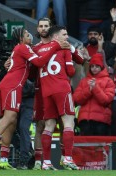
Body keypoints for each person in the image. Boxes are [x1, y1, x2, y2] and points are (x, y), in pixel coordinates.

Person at [0, 27, 67, 170]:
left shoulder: (21, 49)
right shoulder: (22, 47)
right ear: (21, 38)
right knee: (10, 116)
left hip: (9, 85)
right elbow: (39, 62)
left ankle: (3, 159)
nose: (30, 37)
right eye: (27, 35)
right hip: (13, 85)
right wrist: (56, 46)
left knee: (11, 122)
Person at [31, 17, 84, 170]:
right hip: (61, 87)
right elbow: (72, 70)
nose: (67, 37)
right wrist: (71, 50)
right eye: (65, 34)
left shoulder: (37, 49)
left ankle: (46, 162)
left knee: (49, 125)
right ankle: (67, 158)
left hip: (46, 91)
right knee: (68, 122)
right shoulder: (63, 48)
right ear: (56, 36)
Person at [73, 53, 115, 136]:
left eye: (97, 66)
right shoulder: (84, 81)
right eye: (92, 66)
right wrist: (89, 90)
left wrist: (95, 88)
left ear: (101, 67)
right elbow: (76, 99)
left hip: (101, 122)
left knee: (99, 147)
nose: (94, 68)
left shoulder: (108, 81)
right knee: (85, 147)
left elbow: (106, 100)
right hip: (85, 121)